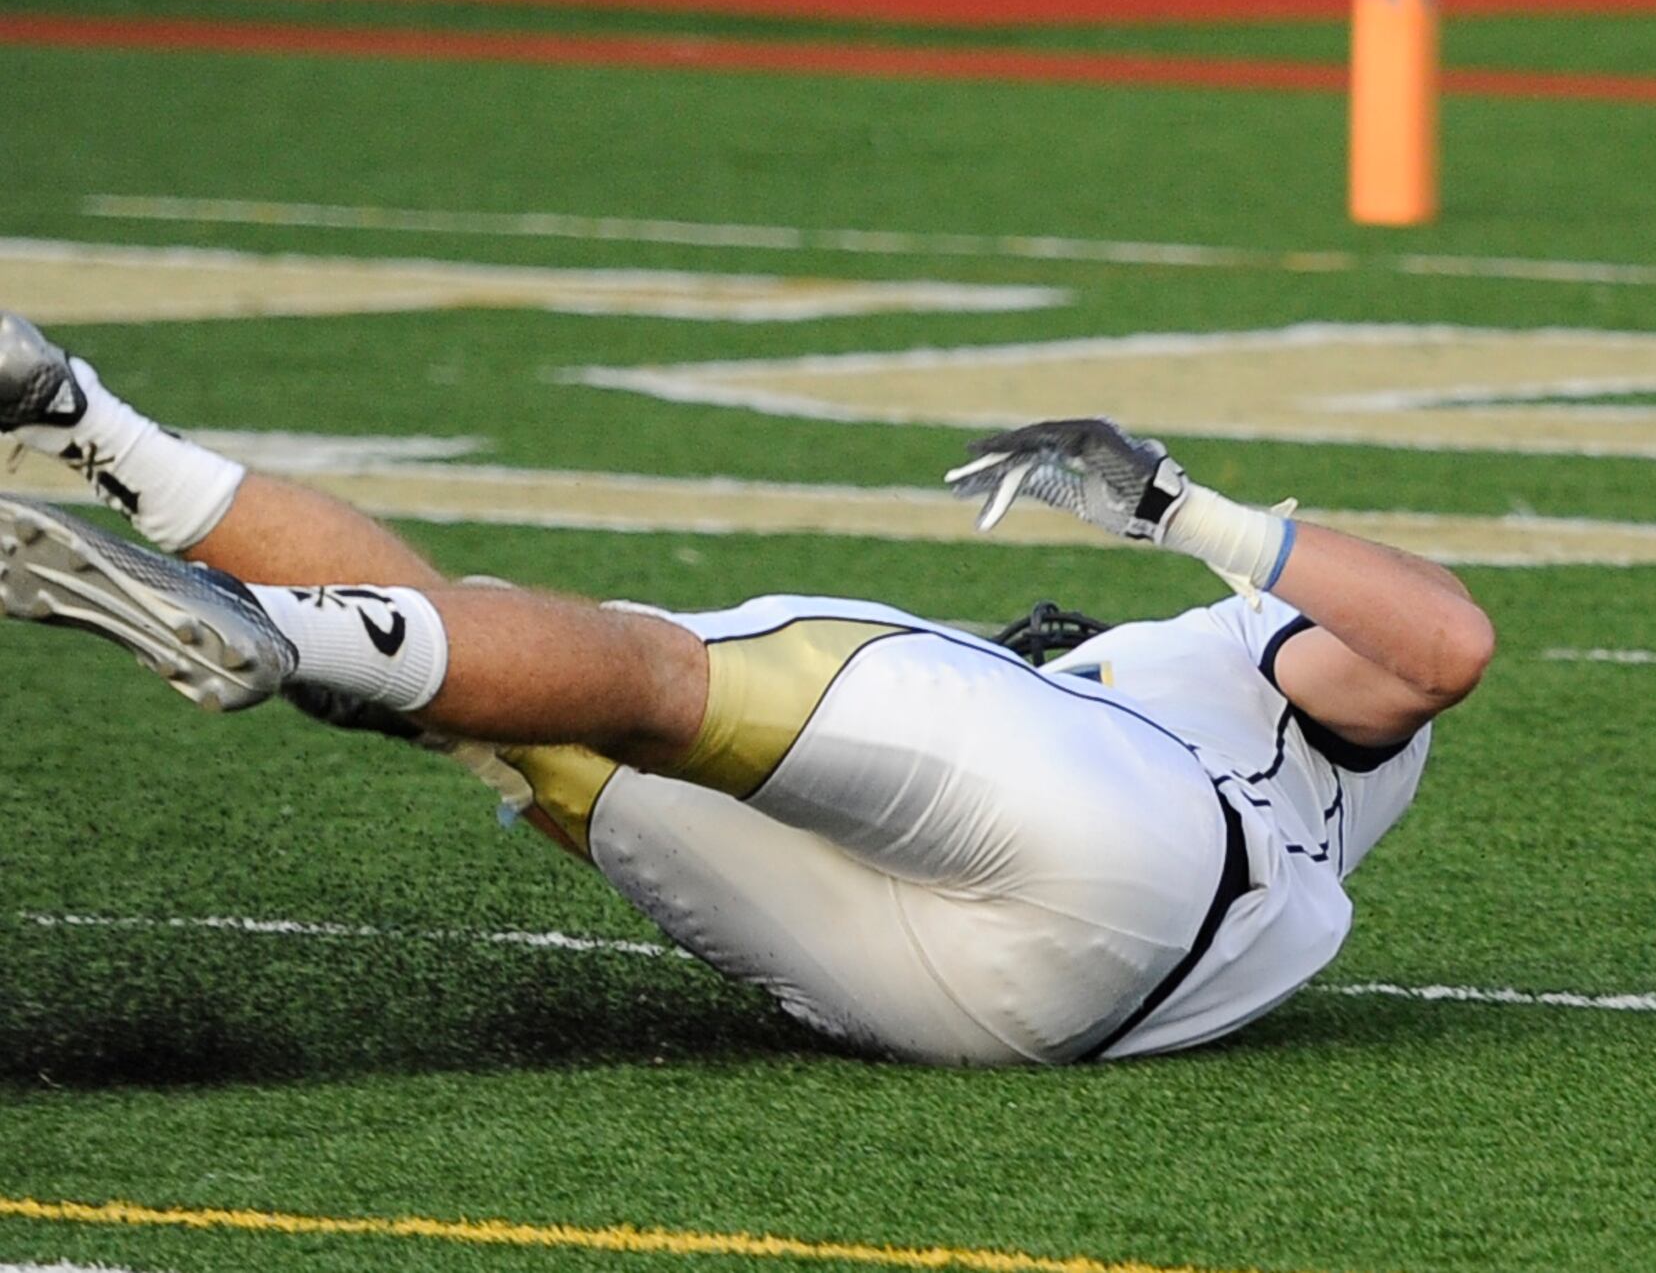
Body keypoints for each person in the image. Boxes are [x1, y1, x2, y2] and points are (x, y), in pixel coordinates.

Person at [0, 313, 1492, 1065]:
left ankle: (209, 559)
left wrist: (1179, 507)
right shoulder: (1263, 759)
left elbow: (1445, 643)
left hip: (1148, 840)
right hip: (1011, 1017)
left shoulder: (1270, 668)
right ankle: (89, 430)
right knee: (490, 668)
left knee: (642, 665)